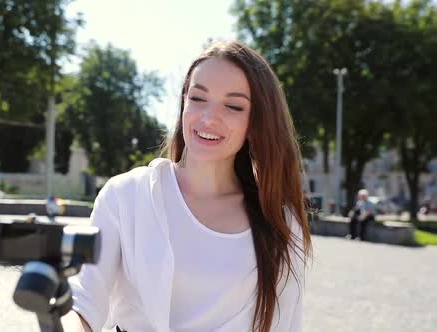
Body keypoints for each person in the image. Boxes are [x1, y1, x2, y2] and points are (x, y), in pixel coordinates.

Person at [61, 40, 313, 332]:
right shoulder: (126, 196)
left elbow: (287, 325)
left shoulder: (280, 221)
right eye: (197, 98)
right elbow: (84, 299)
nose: (209, 117)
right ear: (183, 102)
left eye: (233, 106)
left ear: (255, 123)